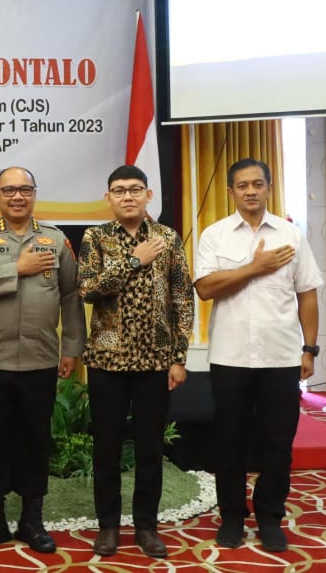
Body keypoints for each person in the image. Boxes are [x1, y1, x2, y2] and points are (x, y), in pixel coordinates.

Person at [194, 157, 321, 554]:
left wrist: (309, 348)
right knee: (229, 441)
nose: (250, 191)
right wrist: (256, 266)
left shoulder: (291, 235)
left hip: (280, 356)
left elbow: (308, 293)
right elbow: (206, 288)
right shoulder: (215, 235)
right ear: (230, 191)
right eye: (242, 185)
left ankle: (269, 517)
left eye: (257, 184)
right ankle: (232, 517)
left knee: (278, 444)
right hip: (230, 357)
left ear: (269, 188)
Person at [0, 167, 83, 554]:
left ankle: (32, 520)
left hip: (39, 359)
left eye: (24, 189)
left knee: (35, 440)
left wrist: (72, 347)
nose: (17, 196)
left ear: (34, 194)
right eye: (9, 190)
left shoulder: (55, 239)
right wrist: (16, 269)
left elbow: (70, 295)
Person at [78, 164, 194, 558]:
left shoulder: (168, 238)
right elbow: (87, 290)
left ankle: (146, 527)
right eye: (119, 190)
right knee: (106, 449)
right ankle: (108, 527)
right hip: (107, 361)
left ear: (148, 195)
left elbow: (182, 298)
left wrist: (179, 357)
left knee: (149, 450)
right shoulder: (95, 237)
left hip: (155, 361)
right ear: (108, 197)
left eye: (135, 189)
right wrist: (133, 261)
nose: (127, 196)